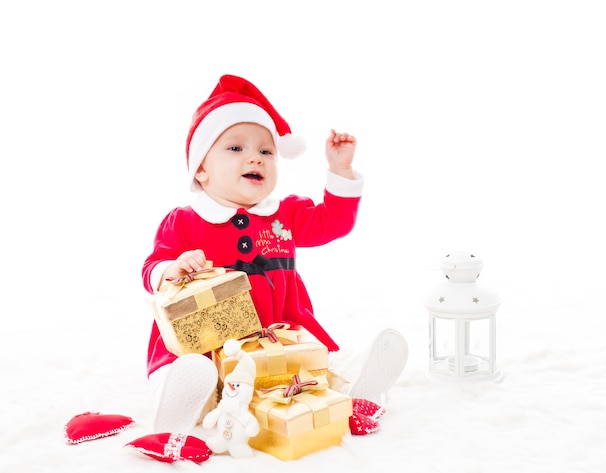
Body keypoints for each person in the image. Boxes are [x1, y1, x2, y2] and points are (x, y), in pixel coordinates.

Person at [141, 74, 408, 435]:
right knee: (196, 368)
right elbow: (152, 268)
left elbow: (332, 223)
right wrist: (172, 268)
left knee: (314, 365)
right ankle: (181, 399)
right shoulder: (186, 221)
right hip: (208, 338)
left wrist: (340, 172)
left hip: (279, 335)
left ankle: (352, 385)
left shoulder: (284, 214)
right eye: (236, 148)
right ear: (200, 169)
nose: (256, 157)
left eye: (266, 151)